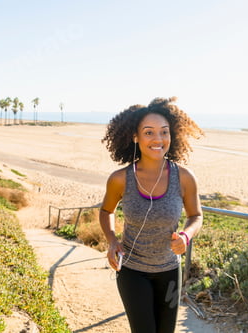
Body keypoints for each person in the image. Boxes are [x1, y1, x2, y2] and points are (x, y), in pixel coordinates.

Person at [99, 97, 204, 333]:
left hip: (169, 272)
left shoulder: (184, 177)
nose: (158, 139)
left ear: (171, 135)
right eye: (149, 132)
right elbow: (106, 211)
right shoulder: (120, 179)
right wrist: (112, 241)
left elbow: (196, 215)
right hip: (132, 271)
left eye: (164, 132)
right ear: (135, 137)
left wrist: (186, 237)